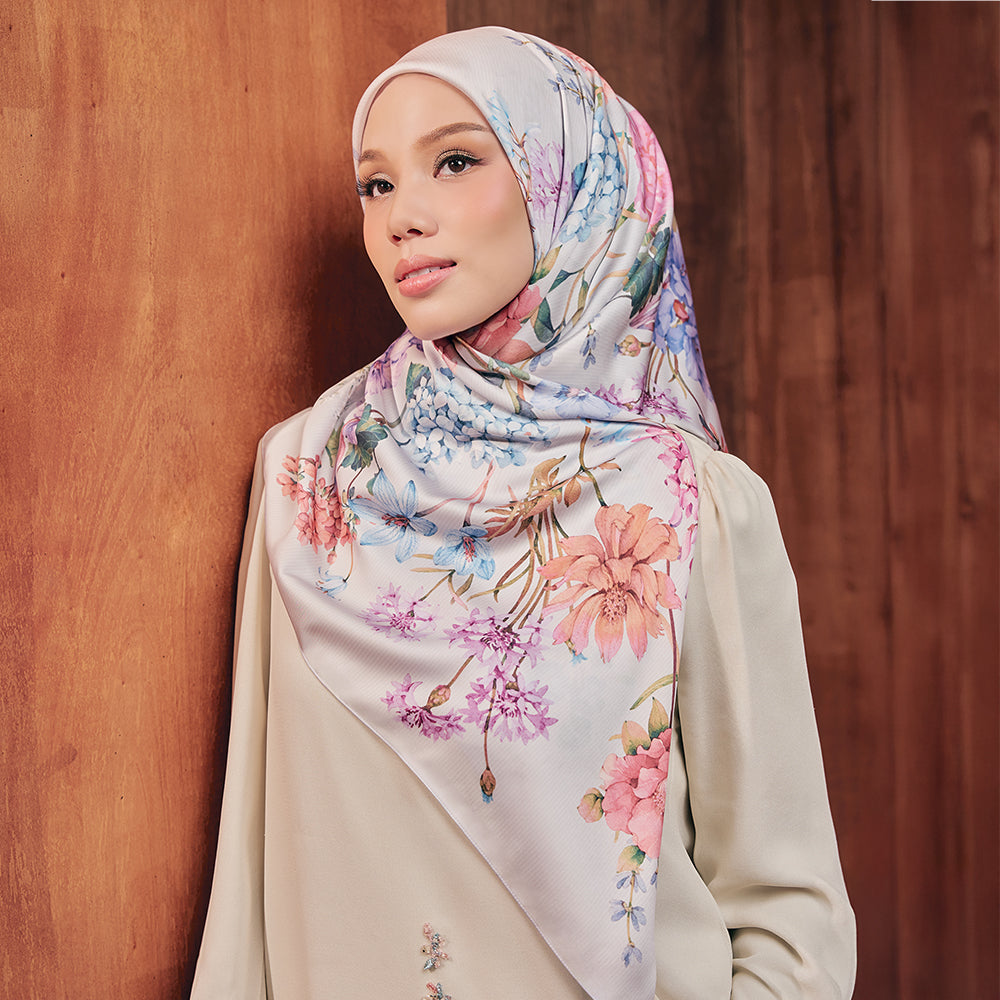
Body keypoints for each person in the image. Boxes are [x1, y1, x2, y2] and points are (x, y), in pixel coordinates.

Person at [190, 26, 856, 1000]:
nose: (402, 216)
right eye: (376, 183)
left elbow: (788, 913)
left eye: (455, 161)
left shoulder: (689, 502)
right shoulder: (309, 472)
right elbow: (250, 869)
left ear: (569, 179)